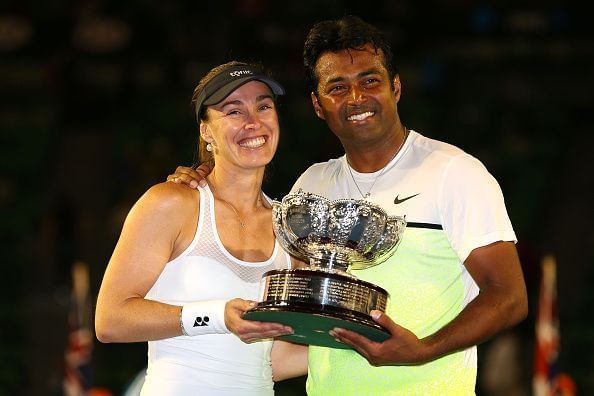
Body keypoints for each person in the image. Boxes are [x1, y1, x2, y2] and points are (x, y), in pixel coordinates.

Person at [169, 15, 528, 395]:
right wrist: (206, 178)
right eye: (337, 87)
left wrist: (422, 351)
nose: (356, 98)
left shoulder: (454, 173)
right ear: (318, 105)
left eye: (370, 81)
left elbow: (508, 296)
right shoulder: (312, 185)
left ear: (396, 87)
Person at [95, 61, 307, 396]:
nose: (254, 122)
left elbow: (272, 360)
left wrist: (352, 342)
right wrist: (217, 316)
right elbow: (110, 320)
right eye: (233, 111)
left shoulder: (289, 227)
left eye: (263, 106)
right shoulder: (171, 203)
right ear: (206, 131)